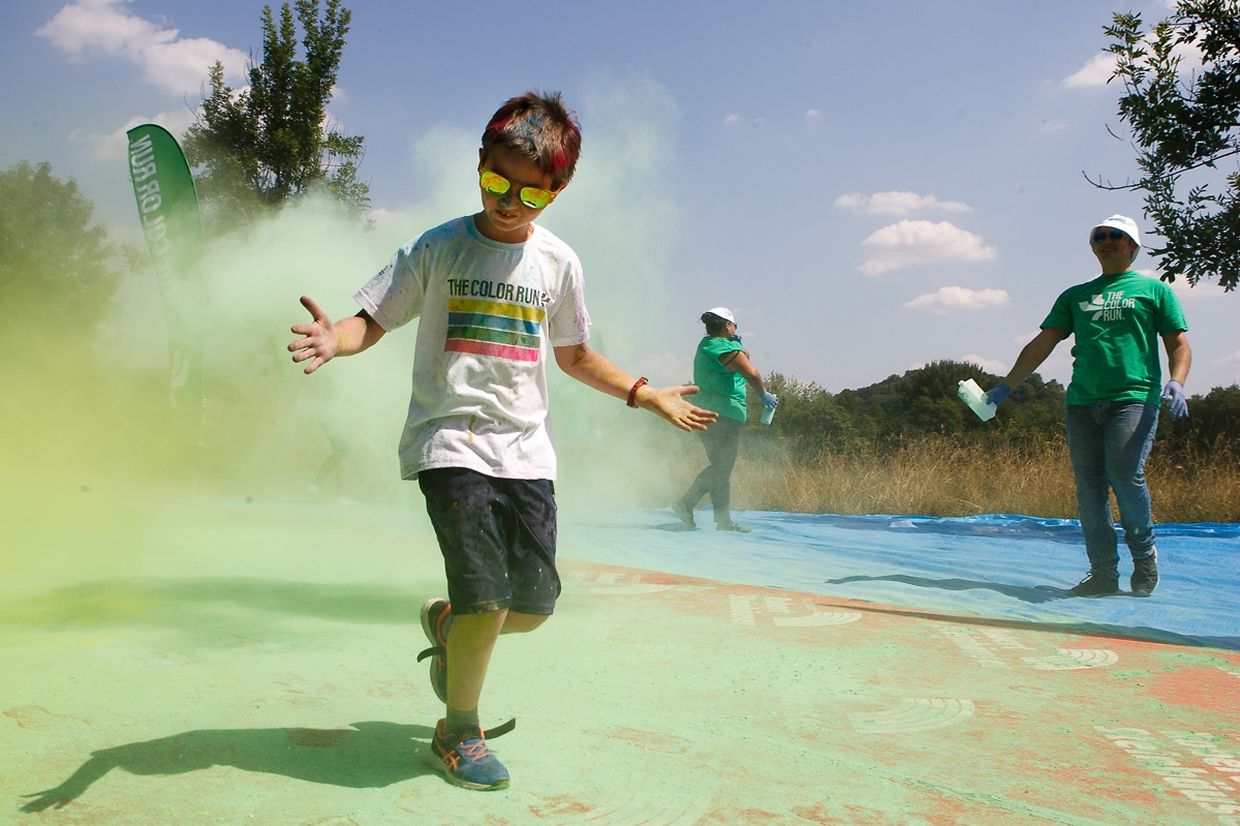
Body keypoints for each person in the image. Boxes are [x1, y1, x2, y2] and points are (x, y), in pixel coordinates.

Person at [287, 91, 717, 791]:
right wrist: (337, 337)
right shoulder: (439, 246)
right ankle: (459, 728)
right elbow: (375, 316)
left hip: (528, 454)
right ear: (480, 163)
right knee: (489, 600)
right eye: (495, 182)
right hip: (449, 443)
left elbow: (574, 357)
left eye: (530, 194)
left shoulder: (558, 265)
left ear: (558, 190)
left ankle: (453, 621)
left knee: (533, 608)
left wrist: (645, 394)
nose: (509, 203)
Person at [984, 215, 1191, 598]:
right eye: (1099, 236)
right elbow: (1043, 343)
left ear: (1132, 245)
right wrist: (1006, 386)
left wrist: (1176, 381)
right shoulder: (1075, 295)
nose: (1106, 241)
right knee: (1089, 489)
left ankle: (1144, 557)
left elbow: (1178, 343)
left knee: (1124, 474)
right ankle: (1102, 574)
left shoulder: (1154, 291)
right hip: (1082, 402)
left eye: (1116, 236)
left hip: (1133, 397)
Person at [671, 307, 777, 532]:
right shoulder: (723, 348)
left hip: (709, 412)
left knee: (721, 469)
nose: (736, 329)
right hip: (722, 414)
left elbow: (741, 360)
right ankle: (686, 504)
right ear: (728, 326)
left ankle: (722, 521)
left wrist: (739, 347)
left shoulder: (709, 345)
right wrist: (762, 394)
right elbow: (752, 373)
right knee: (722, 468)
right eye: (734, 325)